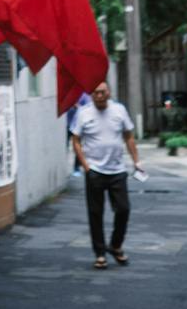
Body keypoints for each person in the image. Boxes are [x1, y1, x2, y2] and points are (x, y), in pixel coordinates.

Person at [70, 81, 140, 269]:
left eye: (102, 92)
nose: (99, 96)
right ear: (91, 95)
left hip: (117, 170)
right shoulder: (83, 113)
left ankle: (116, 245)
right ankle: (100, 254)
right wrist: (86, 166)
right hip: (95, 171)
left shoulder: (119, 111)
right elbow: (75, 140)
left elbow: (128, 136)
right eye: (95, 93)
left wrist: (136, 161)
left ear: (109, 93)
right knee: (95, 213)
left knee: (123, 209)